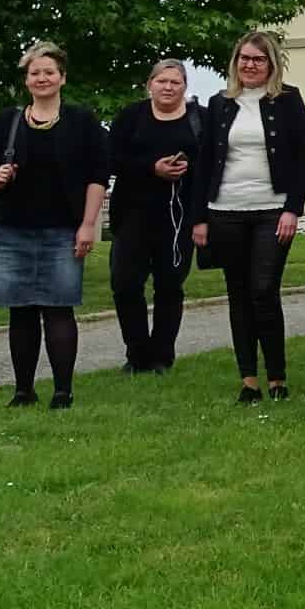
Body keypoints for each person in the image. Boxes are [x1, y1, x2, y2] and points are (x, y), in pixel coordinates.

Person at [0, 41, 109, 410]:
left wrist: (88, 224)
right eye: (35, 72)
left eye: (49, 72)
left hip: (63, 230)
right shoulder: (9, 120)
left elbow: (99, 175)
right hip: (12, 229)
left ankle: (62, 391)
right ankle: (23, 390)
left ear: (62, 77)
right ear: (26, 79)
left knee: (58, 309)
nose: (42, 78)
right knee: (20, 310)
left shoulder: (81, 121)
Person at [194, 30, 305, 404]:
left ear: (271, 64)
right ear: (235, 63)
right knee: (239, 294)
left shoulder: (289, 100)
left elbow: (304, 156)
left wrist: (293, 208)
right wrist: (199, 218)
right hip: (225, 210)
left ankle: (277, 376)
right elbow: (203, 163)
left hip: (272, 210)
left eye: (258, 59)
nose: (250, 65)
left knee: (264, 290)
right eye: (244, 58)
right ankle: (249, 380)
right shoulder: (219, 103)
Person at [105, 59, 201, 374]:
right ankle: (137, 353)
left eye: (176, 82)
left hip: (178, 217)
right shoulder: (131, 117)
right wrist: (152, 168)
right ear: (150, 84)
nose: (168, 87)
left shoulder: (199, 119)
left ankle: (162, 356)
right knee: (126, 284)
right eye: (162, 81)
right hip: (132, 214)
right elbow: (112, 159)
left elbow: (212, 163)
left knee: (170, 287)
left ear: (185, 86)